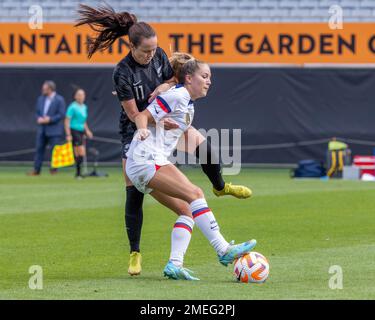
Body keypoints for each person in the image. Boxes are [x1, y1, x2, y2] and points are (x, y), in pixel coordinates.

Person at [75, 3, 252, 276]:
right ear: (132, 47)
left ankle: (175, 264)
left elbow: (170, 80)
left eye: (154, 50)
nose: (151, 55)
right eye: (145, 51)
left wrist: (164, 87)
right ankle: (143, 251)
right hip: (139, 136)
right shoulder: (124, 73)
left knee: (190, 204)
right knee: (179, 193)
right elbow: (138, 114)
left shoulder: (173, 84)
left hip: (156, 139)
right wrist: (152, 122)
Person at [126, 59, 256, 280]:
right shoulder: (177, 96)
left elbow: (174, 132)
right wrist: (143, 130)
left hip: (143, 164)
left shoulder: (188, 106)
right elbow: (141, 116)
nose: (209, 82)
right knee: (195, 193)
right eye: (204, 77)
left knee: (187, 211)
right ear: (188, 78)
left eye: (210, 78)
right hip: (145, 159)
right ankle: (223, 249)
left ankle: (174, 265)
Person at [28, 80, 66, 176]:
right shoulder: (40, 99)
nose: (42, 90)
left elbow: (61, 114)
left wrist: (50, 119)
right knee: (39, 149)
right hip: (42, 129)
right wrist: (39, 119)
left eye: (44, 88)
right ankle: (36, 170)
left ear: (50, 89)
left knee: (55, 151)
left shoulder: (59, 99)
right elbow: (37, 112)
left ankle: (54, 170)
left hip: (54, 130)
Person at [64, 87, 93, 178]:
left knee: (80, 153)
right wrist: (68, 134)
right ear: (75, 96)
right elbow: (67, 121)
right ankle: (78, 173)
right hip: (74, 130)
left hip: (81, 131)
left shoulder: (84, 107)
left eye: (83, 94)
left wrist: (87, 131)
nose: (81, 96)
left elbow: (83, 121)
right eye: (79, 95)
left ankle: (78, 173)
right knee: (80, 152)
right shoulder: (72, 107)